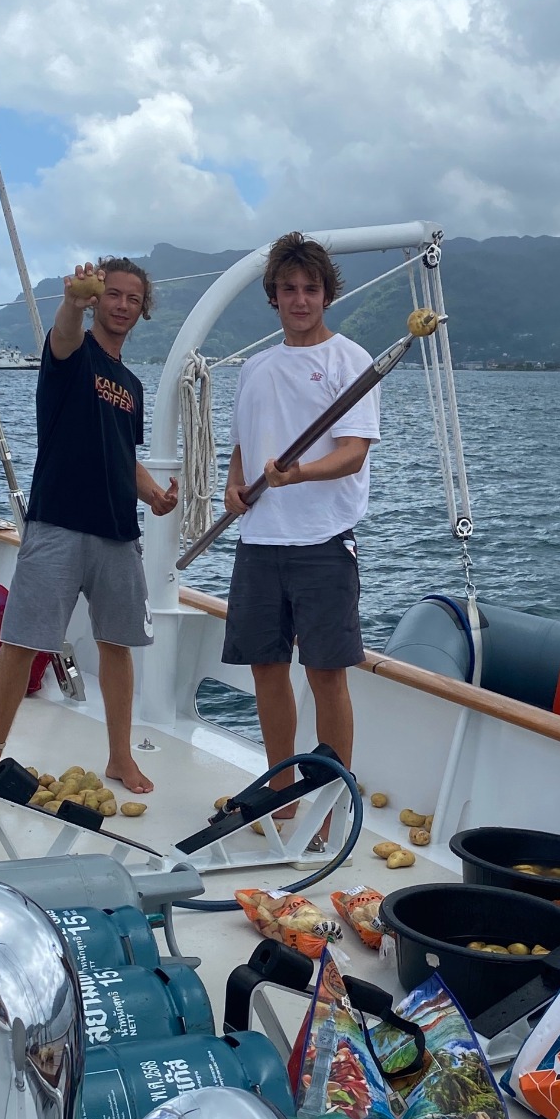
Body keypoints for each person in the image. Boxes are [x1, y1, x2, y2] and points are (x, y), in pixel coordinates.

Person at [0, 256, 178, 796]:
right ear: (97, 300)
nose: (122, 305)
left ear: (143, 310)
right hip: (57, 525)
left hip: (118, 532)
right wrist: (72, 301)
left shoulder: (131, 385)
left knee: (116, 645)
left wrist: (154, 496)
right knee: (21, 642)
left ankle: (120, 757)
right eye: (113, 294)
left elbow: (123, 455)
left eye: (133, 298)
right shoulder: (70, 355)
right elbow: (66, 330)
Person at [222, 231, 380, 822]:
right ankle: (282, 796)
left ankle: (331, 804)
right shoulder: (255, 368)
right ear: (273, 296)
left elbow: (353, 453)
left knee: (325, 673)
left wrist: (298, 475)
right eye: (288, 289)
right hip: (260, 541)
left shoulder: (350, 360)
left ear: (326, 294)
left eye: (310, 289)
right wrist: (233, 486)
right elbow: (244, 447)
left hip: (323, 540)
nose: (300, 300)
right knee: (266, 668)